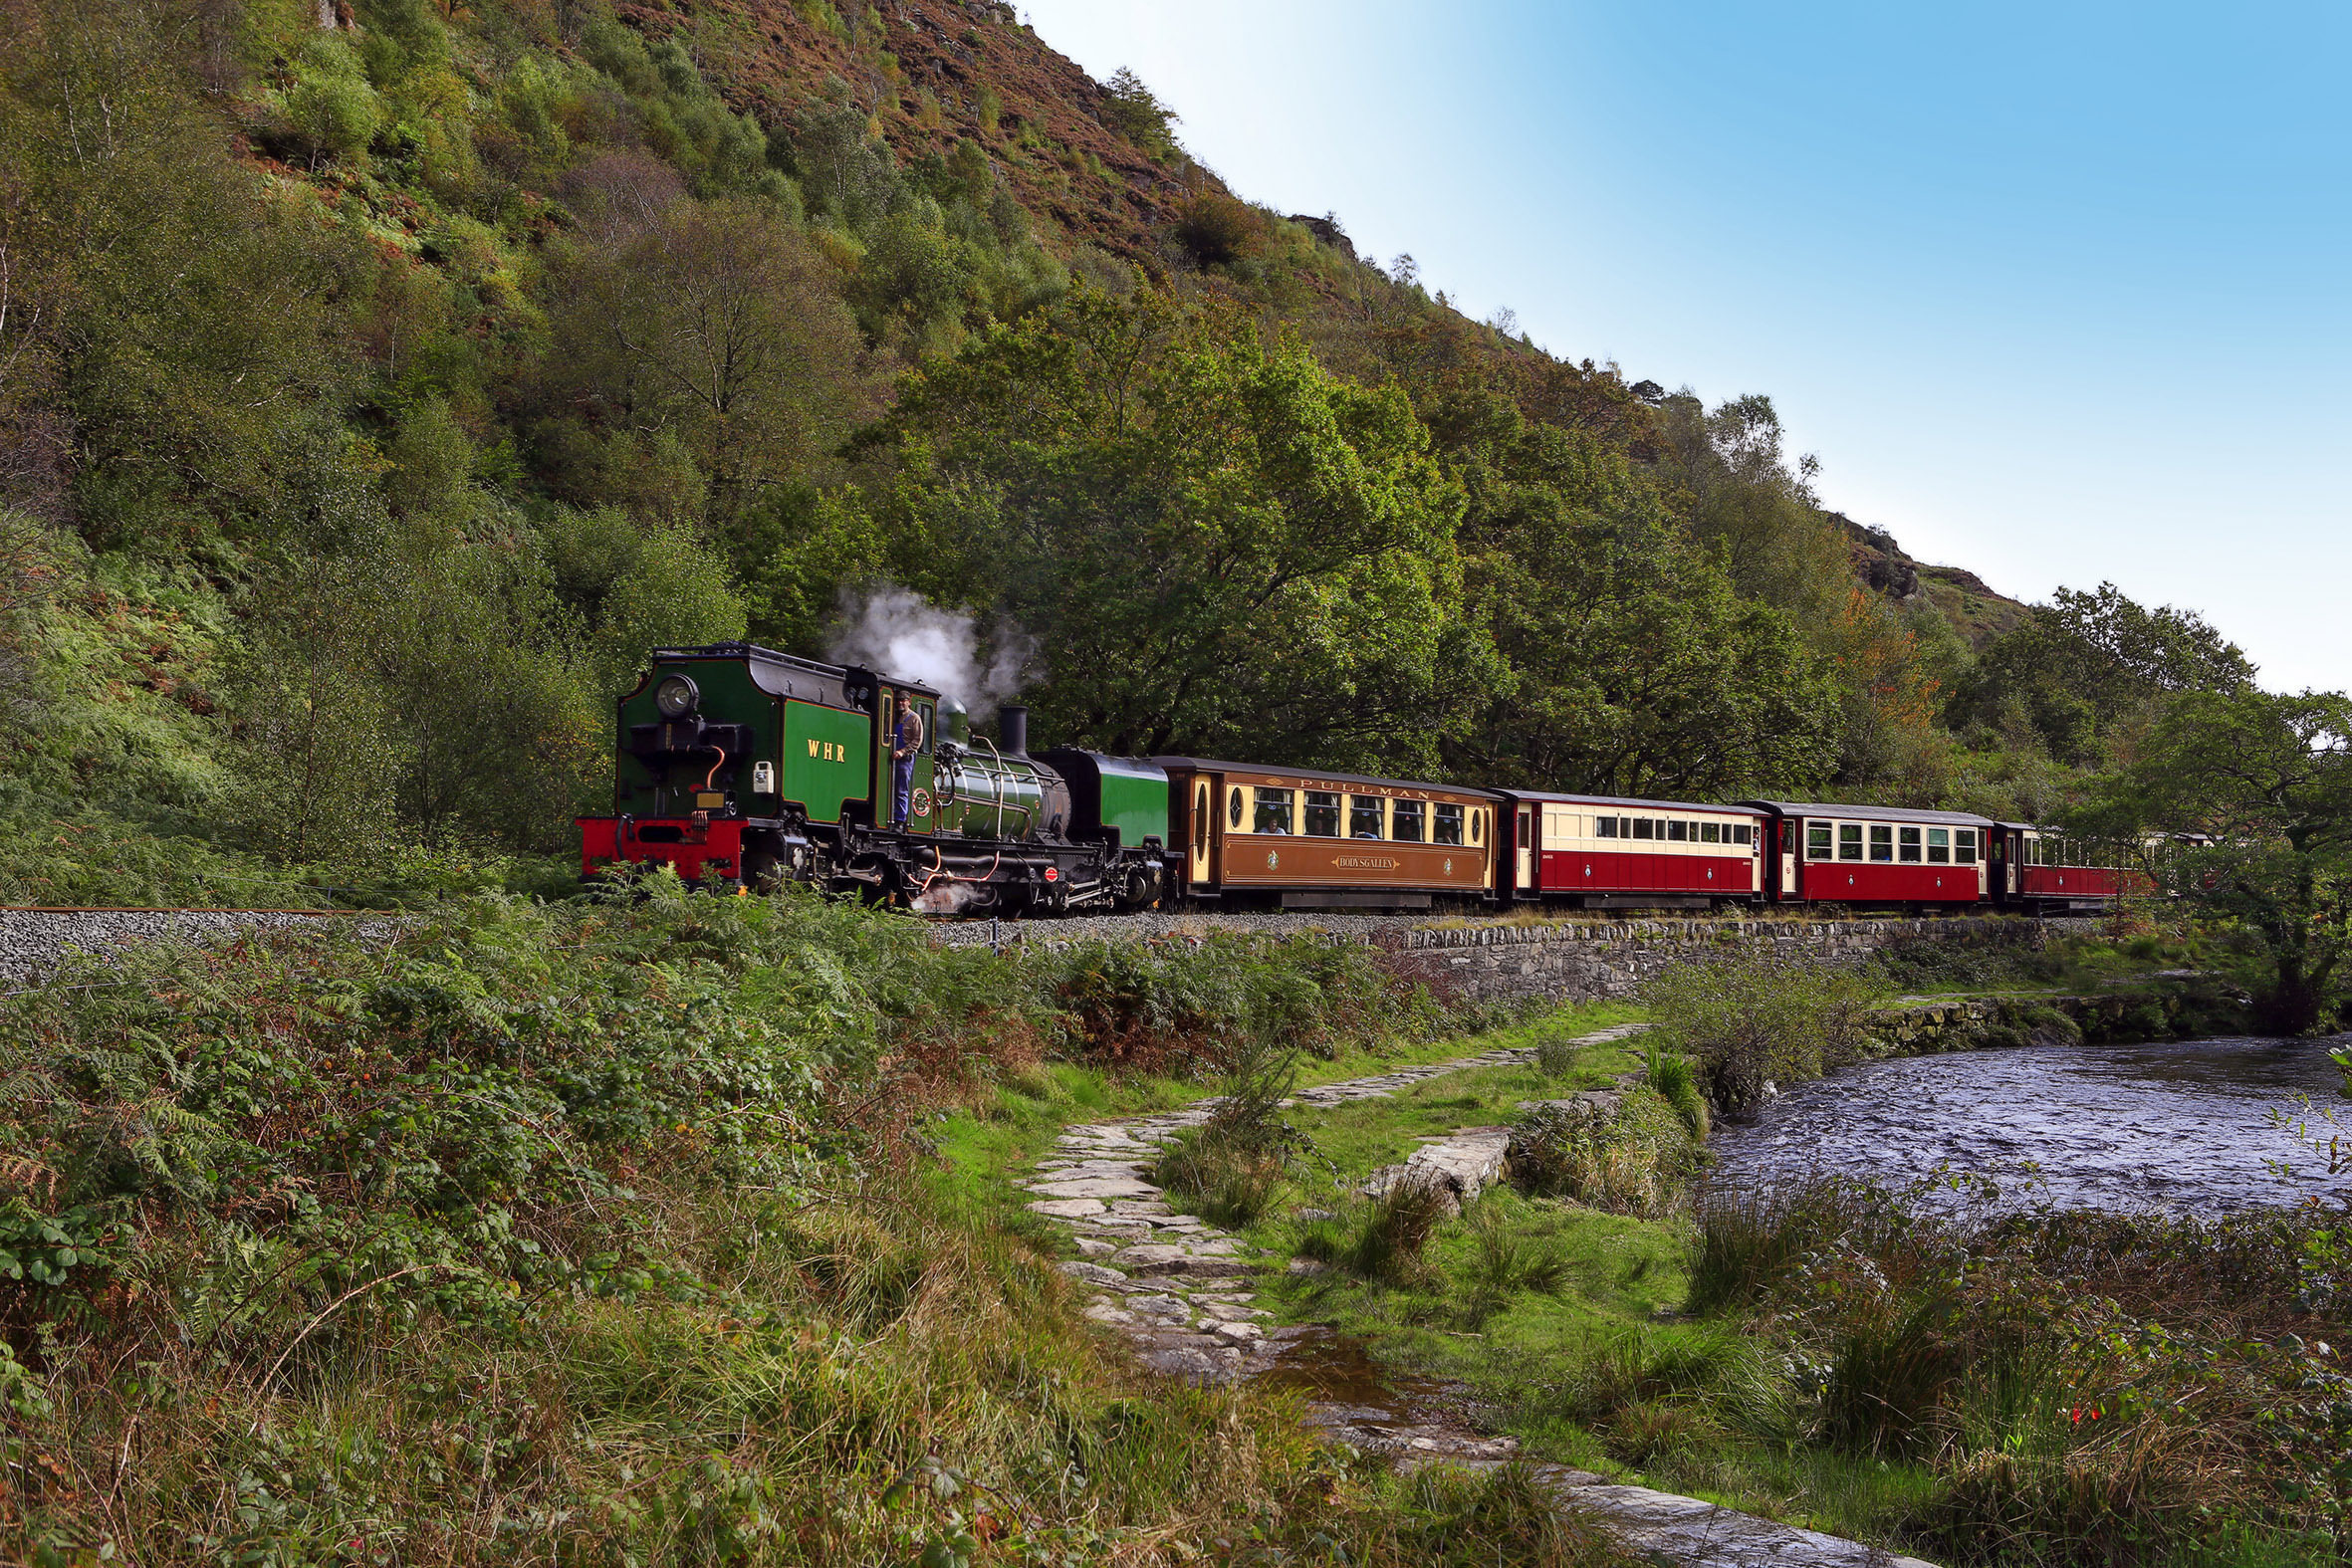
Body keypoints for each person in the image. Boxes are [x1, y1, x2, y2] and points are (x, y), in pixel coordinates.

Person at [891, 699, 925, 827]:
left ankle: (900, 820)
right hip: (891, 756)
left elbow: (917, 740)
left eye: (903, 701)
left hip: (905, 758)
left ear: (908, 702)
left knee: (901, 789)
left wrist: (903, 752)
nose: (900, 703)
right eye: (898, 700)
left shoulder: (914, 718)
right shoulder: (894, 716)